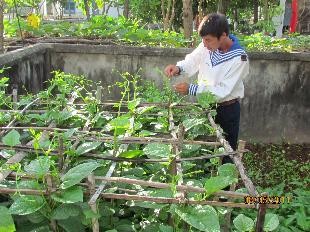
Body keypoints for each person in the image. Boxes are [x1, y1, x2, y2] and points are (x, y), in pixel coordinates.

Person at [164, 13, 249, 164]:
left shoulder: (239, 58)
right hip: (206, 104)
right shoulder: (207, 46)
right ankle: (204, 182)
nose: (204, 44)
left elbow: (223, 90)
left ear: (223, 35)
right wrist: (178, 68)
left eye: (208, 40)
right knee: (205, 146)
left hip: (227, 110)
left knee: (226, 150)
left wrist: (193, 89)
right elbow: (193, 60)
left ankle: (223, 186)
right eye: (203, 40)